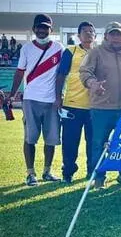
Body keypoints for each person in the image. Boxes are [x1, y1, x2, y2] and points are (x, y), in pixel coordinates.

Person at [79, 21, 121, 189]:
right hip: (101, 108)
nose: (116, 37)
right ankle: (99, 178)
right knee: (98, 143)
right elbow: (85, 71)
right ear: (106, 36)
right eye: (112, 34)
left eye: (119, 34)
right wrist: (92, 83)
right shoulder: (96, 52)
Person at [9, 14, 64, 186]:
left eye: (45, 27)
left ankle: (47, 171)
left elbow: (61, 75)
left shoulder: (59, 48)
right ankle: (30, 173)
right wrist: (12, 94)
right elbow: (19, 72)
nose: (42, 30)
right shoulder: (26, 48)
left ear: (51, 29)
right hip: (31, 99)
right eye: (39, 27)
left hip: (51, 102)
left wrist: (59, 96)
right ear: (34, 29)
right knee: (30, 138)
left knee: (52, 138)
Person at [55, 21, 96, 183]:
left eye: (91, 31)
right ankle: (68, 172)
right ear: (79, 35)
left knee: (94, 142)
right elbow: (61, 75)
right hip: (72, 105)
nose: (88, 34)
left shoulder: (99, 52)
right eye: (85, 31)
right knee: (70, 142)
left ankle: (91, 172)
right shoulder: (70, 51)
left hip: (95, 106)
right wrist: (58, 97)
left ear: (95, 35)